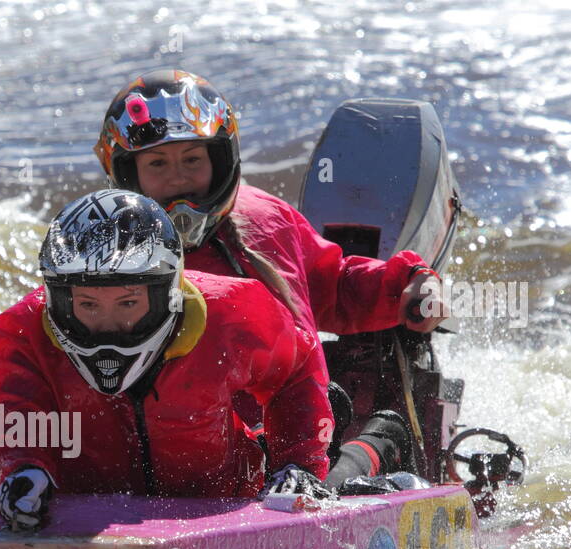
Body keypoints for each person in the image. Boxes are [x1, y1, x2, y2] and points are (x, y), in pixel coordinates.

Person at [93, 70, 446, 485]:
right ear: (127, 173)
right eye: (157, 163)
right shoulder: (101, 253)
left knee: (332, 475)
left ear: (220, 160)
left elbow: (333, 284)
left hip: (287, 448)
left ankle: (381, 440)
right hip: (179, 451)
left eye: (193, 160)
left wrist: (406, 284)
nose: (178, 178)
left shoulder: (266, 221)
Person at [0, 189, 333, 531]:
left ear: (167, 294)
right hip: (83, 521)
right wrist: (20, 473)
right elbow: (10, 424)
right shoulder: (18, 335)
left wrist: (297, 463)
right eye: (88, 305)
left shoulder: (234, 311)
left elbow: (296, 370)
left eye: (127, 303)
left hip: (224, 509)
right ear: (59, 300)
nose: (108, 328)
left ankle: (379, 440)